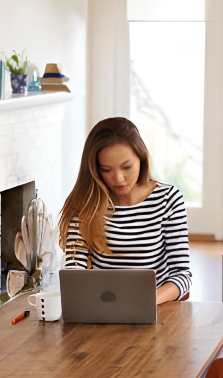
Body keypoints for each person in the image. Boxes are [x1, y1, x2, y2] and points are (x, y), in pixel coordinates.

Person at [58, 117, 192, 305]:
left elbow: (182, 275)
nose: (118, 178)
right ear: (95, 169)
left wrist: (147, 301)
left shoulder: (168, 199)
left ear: (141, 158)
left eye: (126, 167)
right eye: (106, 169)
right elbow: (74, 272)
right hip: (102, 308)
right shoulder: (85, 204)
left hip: (155, 309)